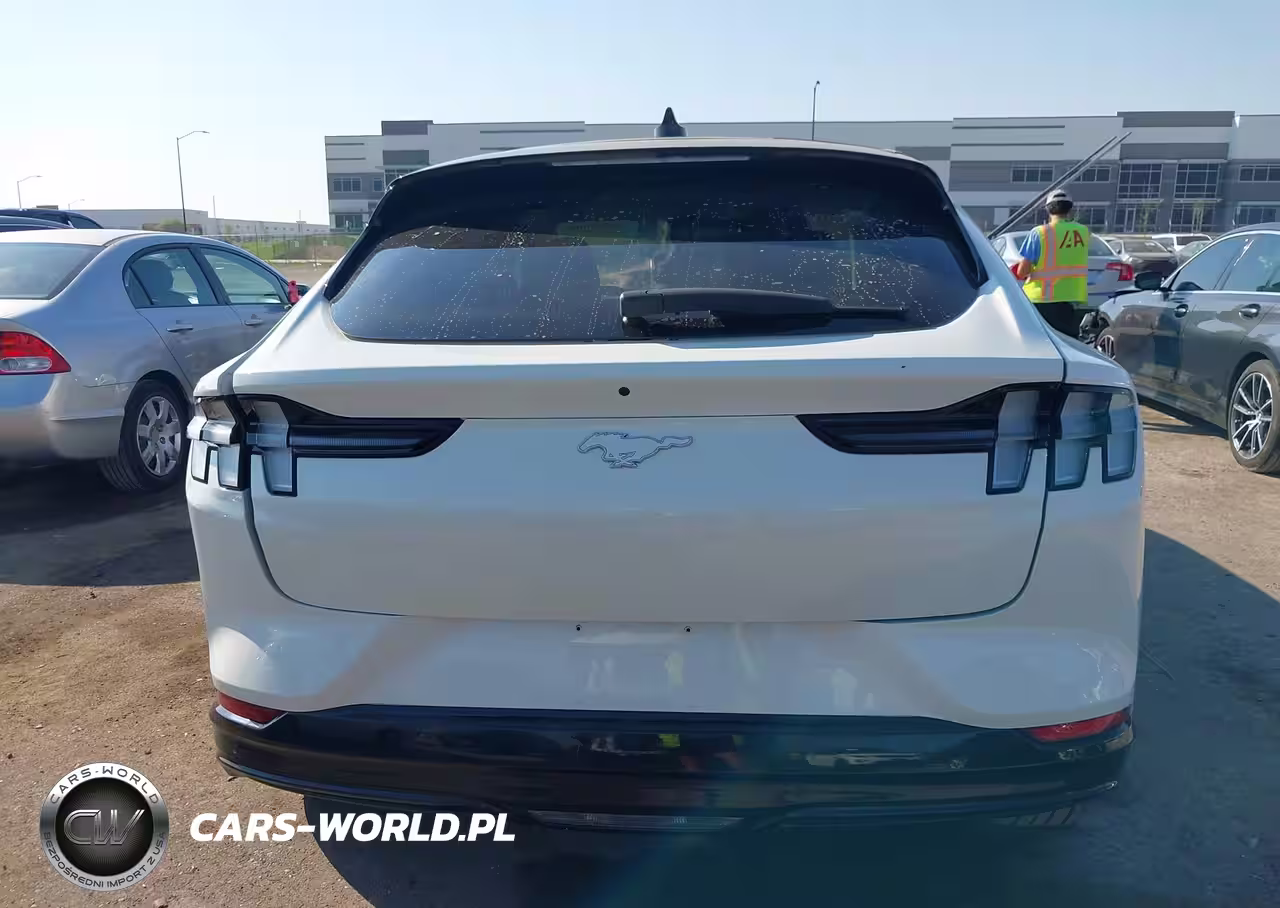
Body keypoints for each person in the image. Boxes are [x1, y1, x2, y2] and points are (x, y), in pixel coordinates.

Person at [1014, 189, 1090, 337]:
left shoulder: (1039, 233)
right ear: (1070, 209)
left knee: (1039, 342)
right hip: (1072, 298)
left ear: (1048, 209)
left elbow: (1022, 272)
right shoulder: (1083, 232)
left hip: (1041, 299)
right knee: (1068, 343)